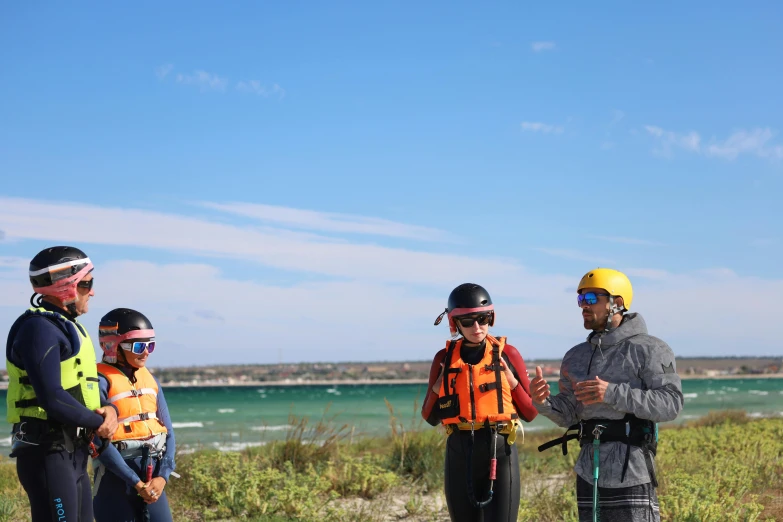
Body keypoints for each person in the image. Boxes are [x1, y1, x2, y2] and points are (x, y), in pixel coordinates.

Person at [532, 268, 684, 522]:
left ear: (617, 303)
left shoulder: (650, 349)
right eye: (580, 299)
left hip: (632, 472)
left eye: (592, 299)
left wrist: (612, 393)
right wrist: (543, 402)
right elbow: (569, 413)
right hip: (587, 471)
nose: (583, 306)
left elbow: (671, 404)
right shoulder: (575, 356)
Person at [5, 246, 119, 522]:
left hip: (73, 452)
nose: (92, 292)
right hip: (47, 452)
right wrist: (97, 422)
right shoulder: (38, 329)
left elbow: (83, 388)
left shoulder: (68, 327)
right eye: (87, 284)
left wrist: (109, 410)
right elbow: (51, 397)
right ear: (65, 287)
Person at [421, 283, 538, 522]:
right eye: (468, 321)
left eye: (483, 318)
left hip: (500, 450)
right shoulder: (443, 359)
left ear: (491, 318)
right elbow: (430, 417)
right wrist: (437, 387)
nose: (477, 327)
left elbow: (530, 413)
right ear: (454, 324)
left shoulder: (508, 354)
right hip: (458, 451)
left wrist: (512, 381)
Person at [91, 308, 176, 522]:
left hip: (154, 477)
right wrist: (136, 483)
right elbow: (97, 442)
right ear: (113, 346)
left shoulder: (151, 381)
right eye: (139, 346)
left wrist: (162, 477)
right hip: (115, 477)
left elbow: (169, 432)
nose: (146, 351)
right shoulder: (98, 382)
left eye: (150, 345)